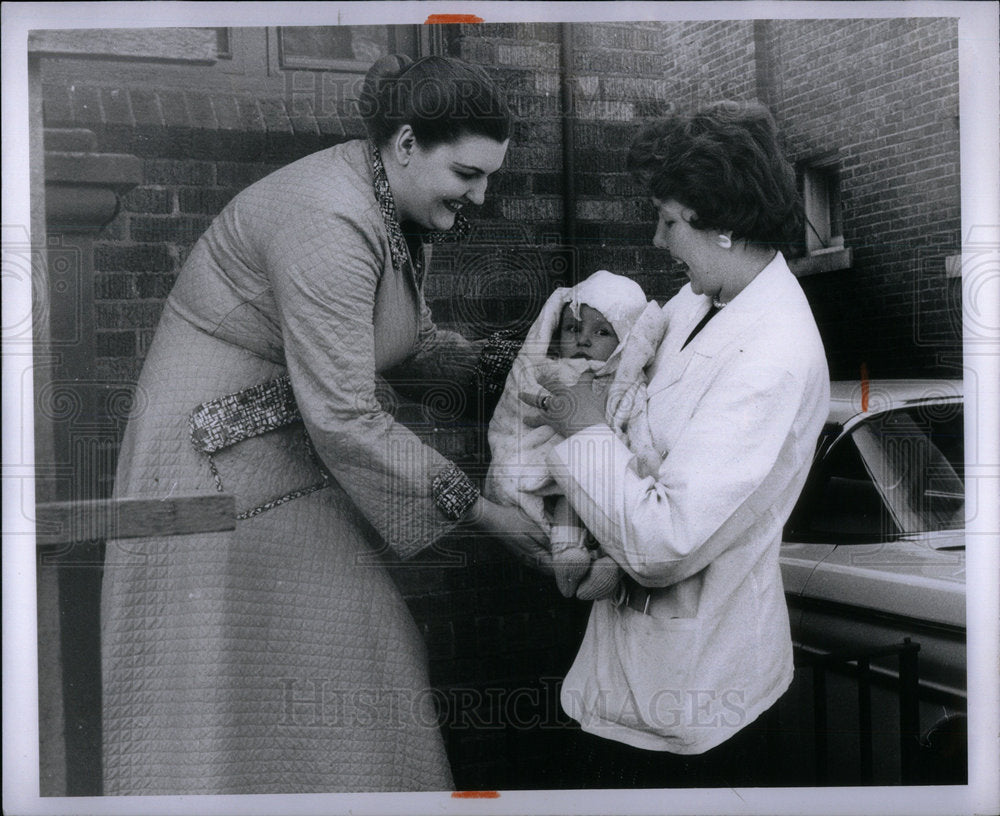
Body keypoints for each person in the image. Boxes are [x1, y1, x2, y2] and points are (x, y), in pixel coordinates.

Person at [100, 54, 550, 796]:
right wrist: (486, 514)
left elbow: (403, 347)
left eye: (490, 175)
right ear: (407, 144)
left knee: (356, 655)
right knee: (294, 662)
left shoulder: (387, 205)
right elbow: (344, 412)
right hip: (212, 461)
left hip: (280, 446)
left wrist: (525, 362)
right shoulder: (329, 219)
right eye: (468, 174)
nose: (482, 194)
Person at [524, 100, 830, 787]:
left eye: (668, 221)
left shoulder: (773, 355)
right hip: (630, 679)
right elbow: (637, 427)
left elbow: (665, 542)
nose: (659, 241)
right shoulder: (700, 304)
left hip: (696, 706)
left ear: (720, 225)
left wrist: (581, 426)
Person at [485, 270, 666, 598]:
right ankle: (568, 551)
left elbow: (638, 422)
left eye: (601, 332)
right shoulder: (549, 369)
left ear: (624, 339)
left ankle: (609, 563)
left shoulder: (628, 383)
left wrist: (645, 455)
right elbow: (520, 406)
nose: (583, 340)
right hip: (551, 456)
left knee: (616, 495)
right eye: (573, 328)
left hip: (608, 468)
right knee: (570, 481)